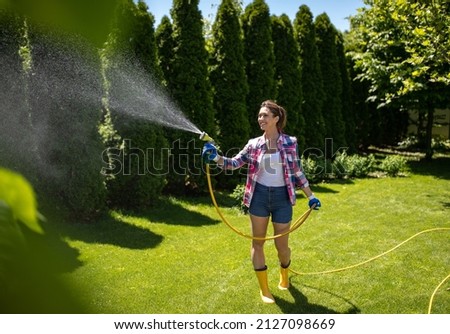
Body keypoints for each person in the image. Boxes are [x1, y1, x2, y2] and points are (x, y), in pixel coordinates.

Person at [202, 100, 321, 304]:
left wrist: (310, 196)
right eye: (259, 116)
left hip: (282, 198)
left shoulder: (290, 142)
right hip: (258, 197)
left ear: (276, 118)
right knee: (258, 243)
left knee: (281, 246)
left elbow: (296, 171)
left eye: (265, 115)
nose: (261, 119)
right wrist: (215, 158)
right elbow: (234, 164)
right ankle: (264, 289)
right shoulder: (253, 144)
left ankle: (284, 273)